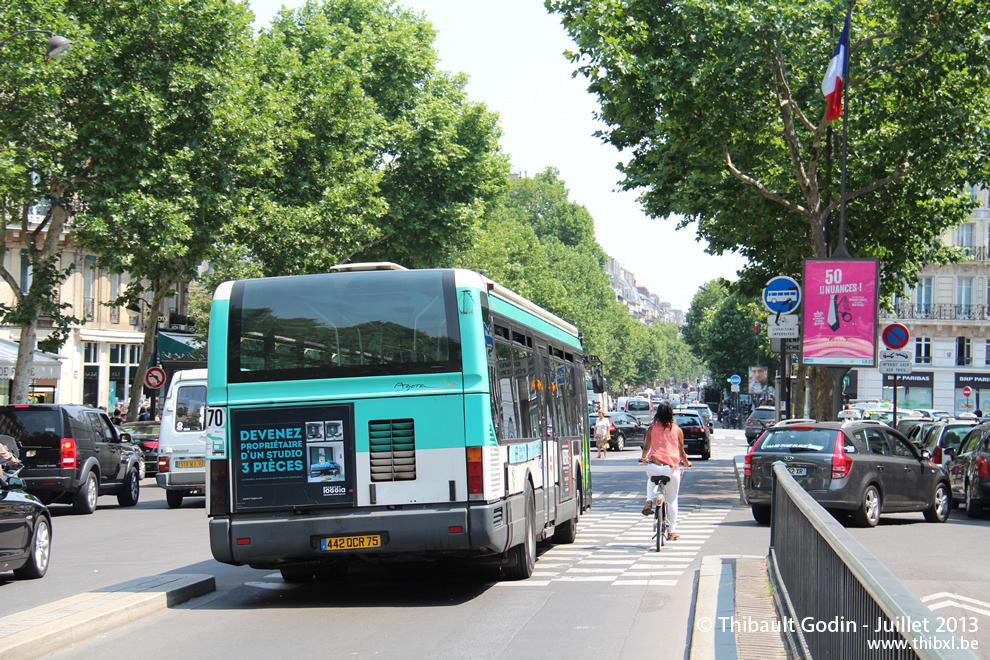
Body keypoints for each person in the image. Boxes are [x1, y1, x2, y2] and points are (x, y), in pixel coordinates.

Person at [639, 401, 692, 540]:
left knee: (651, 477)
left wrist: (643, 457)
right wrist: (686, 463)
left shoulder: (652, 428)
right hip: (670, 469)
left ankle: (649, 500)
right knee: (672, 499)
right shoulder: (677, 429)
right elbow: (681, 451)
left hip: (654, 466)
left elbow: (646, 447)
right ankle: (671, 531)